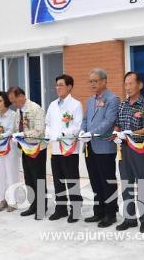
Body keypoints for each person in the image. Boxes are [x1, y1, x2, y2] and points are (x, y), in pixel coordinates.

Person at [114, 71, 144, 233]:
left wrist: (131, 133)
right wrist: (116, 133)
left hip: (140, 149)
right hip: (123, 150)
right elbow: (117, 124)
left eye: (131, 83)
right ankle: (129, 218)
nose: (128, 87)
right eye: (126, 84)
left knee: (142, 183)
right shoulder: (122, 105)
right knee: (126, 183)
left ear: (140, 85)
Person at [80, 68, 120, 228]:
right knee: (95, 181)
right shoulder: (90, 100)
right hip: (90, 146)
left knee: (107, 181)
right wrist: (83, 131)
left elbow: (109, 121)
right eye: (90, 81)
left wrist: (91, 133)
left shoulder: (113, 99)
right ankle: (99, 211)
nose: (92, 84)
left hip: (104, 147)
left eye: (95, 81)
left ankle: (110, 214)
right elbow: (85, 119)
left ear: (104, 81)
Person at [45, 74, 83, 223]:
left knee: (72, 179)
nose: (58, 88)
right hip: (55, 148)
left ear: (69, 86)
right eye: (57, 85)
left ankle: (76, 209)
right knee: (58, 180)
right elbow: (48, 123)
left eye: (61, 85)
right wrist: (49, 134)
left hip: (69, 148)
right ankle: (60, 209)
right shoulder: (53, 104)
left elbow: (77, 126)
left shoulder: (76, 105)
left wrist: (61, 134)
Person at [8, 86, 47, 220]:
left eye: (14, 101)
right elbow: (15, 128)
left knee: (39, 179)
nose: (13, 104)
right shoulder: (19, 111)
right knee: (29, 179)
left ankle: (42, 208)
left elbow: (39, 131)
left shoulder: (35, 109)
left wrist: (22, 134)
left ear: (21, 96)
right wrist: (13, 135)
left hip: (37, 149)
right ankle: (33, 205)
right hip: (25, 149)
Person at [0, 91, 19, 213]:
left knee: (11, 174)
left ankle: (12, 201)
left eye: (0, 101)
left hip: (10, 149)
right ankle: (1, 199)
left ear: (6, 102)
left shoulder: (13, 115)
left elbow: (11, 131)